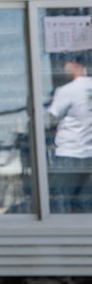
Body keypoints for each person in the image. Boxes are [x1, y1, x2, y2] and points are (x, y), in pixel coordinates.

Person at [47, 55, 92, 213]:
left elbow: (48, 120)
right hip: (89, 155)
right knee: (86, 205)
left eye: (64, 62)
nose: (62, 67)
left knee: (62, 203)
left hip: (69, 153)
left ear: (75, 64)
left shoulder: (68, 90)